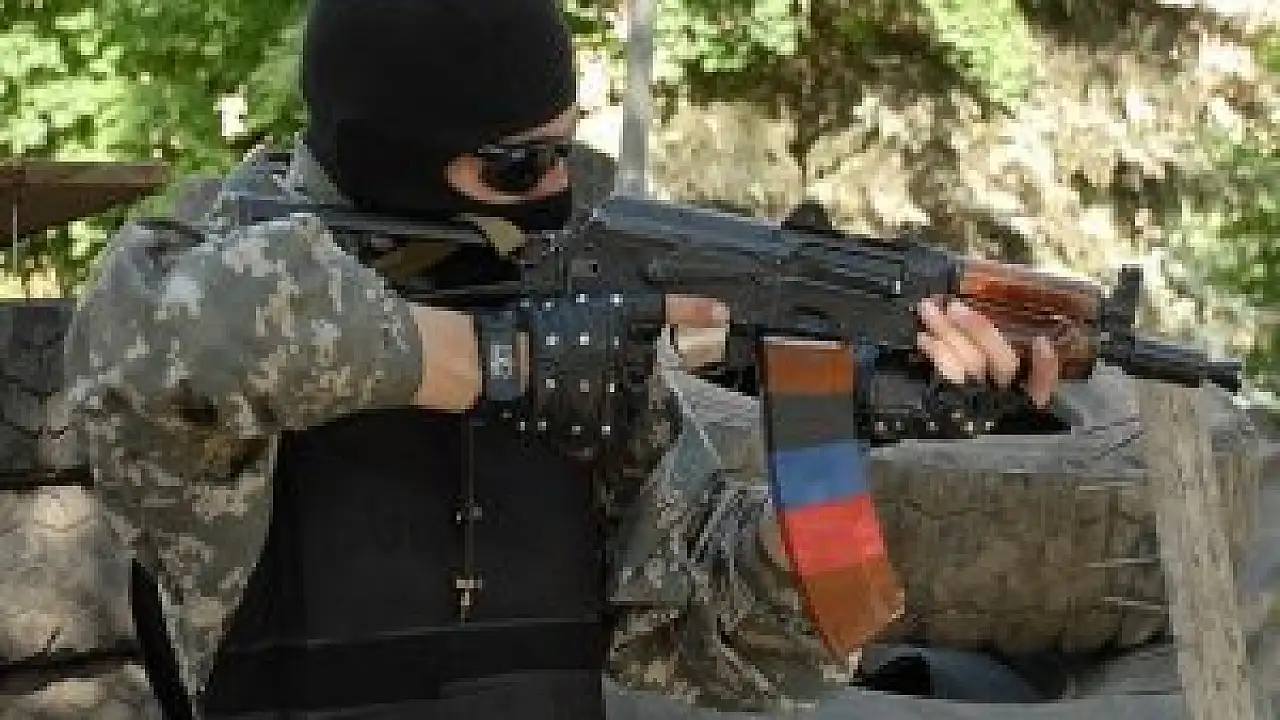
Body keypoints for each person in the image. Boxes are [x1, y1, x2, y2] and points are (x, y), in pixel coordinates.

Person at [62, 0, 1061, 718]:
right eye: (516, 166)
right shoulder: (194, 290)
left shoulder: (571, 332)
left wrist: (834, 444)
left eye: (564, 150)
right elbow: (183, 339)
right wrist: (507, 365)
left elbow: (731, 655)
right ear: (388, 153)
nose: (555, 190)